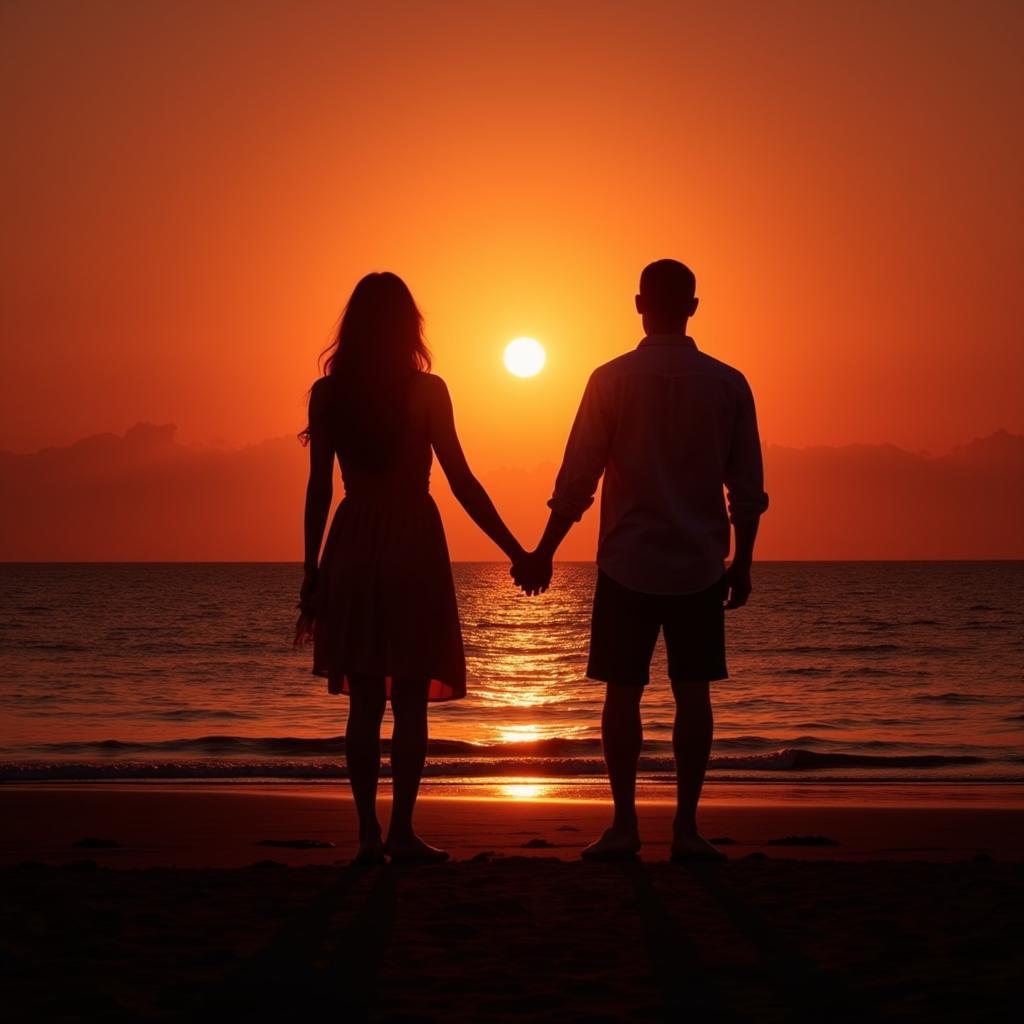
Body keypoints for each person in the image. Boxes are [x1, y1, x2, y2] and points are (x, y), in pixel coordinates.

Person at [513, 259, 768, 862]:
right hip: (699, 563)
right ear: (694, 307)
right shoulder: (728, 383)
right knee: (693, 694)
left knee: (622, 694)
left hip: (627, 563)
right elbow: (747, 488)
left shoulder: (611, 379)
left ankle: (625, 825)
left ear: (638, 305)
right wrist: (745, 561)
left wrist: (544, 552)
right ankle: (685, 829)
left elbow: (578, 479)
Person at [294, 272, 526, 865]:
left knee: (364, 702)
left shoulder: (329, 394)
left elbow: (320, 488)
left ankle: (369, 838)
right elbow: (462, 481)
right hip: (413, 545)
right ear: (408, 327)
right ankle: (400, 832)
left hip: (352, 541)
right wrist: (516, 549)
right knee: (411, 702)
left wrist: (312, 568)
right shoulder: (428, 391)